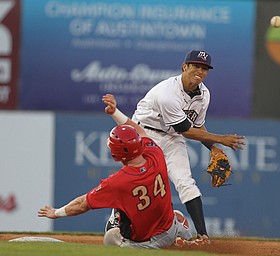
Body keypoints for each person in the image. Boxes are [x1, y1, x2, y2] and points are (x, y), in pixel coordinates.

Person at [38, 94, 192, 249]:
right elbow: (140, 131)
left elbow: (82, 204)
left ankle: (163, 245)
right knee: (160, 211)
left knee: (111, 236)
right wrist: (115, 112)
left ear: (116, 155)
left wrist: (56, 212)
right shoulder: (155, 153)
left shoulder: (118, 182)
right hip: (170, 227)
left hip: (148, 243)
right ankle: (180, 234)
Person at [131, 50, 246, 243]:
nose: (200, 71)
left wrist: (214, 148)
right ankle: (118, 224)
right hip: (145, 135)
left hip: (172, 138)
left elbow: (198, 126)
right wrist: (221, 139)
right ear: (184, 67)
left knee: (186, 182)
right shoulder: (167, 93)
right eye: (196, 66)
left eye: (204, 68)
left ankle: (203, 235)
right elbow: (186, 130)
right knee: (140, 185)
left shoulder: (204, 94)